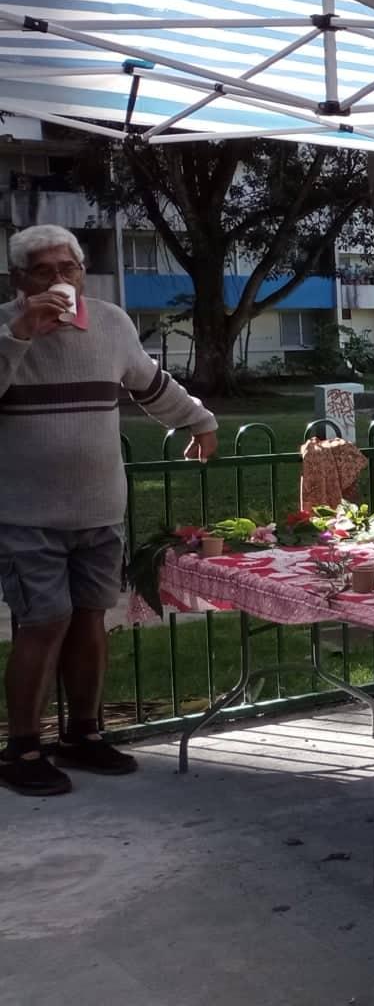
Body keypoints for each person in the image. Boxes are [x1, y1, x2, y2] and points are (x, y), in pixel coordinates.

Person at [0, 225, 216, 797]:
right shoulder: (4, 326)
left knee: (93, 619)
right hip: (26, 513)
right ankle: (22, 748)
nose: (58, 281)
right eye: (43, 272)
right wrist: (18, 335)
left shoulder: (112, 323)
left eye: (67, 268)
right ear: (19, 280)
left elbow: (150, 383)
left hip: (99, 510)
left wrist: (197, 420)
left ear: (81, 270)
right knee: (43, 622)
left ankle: (83, 734)